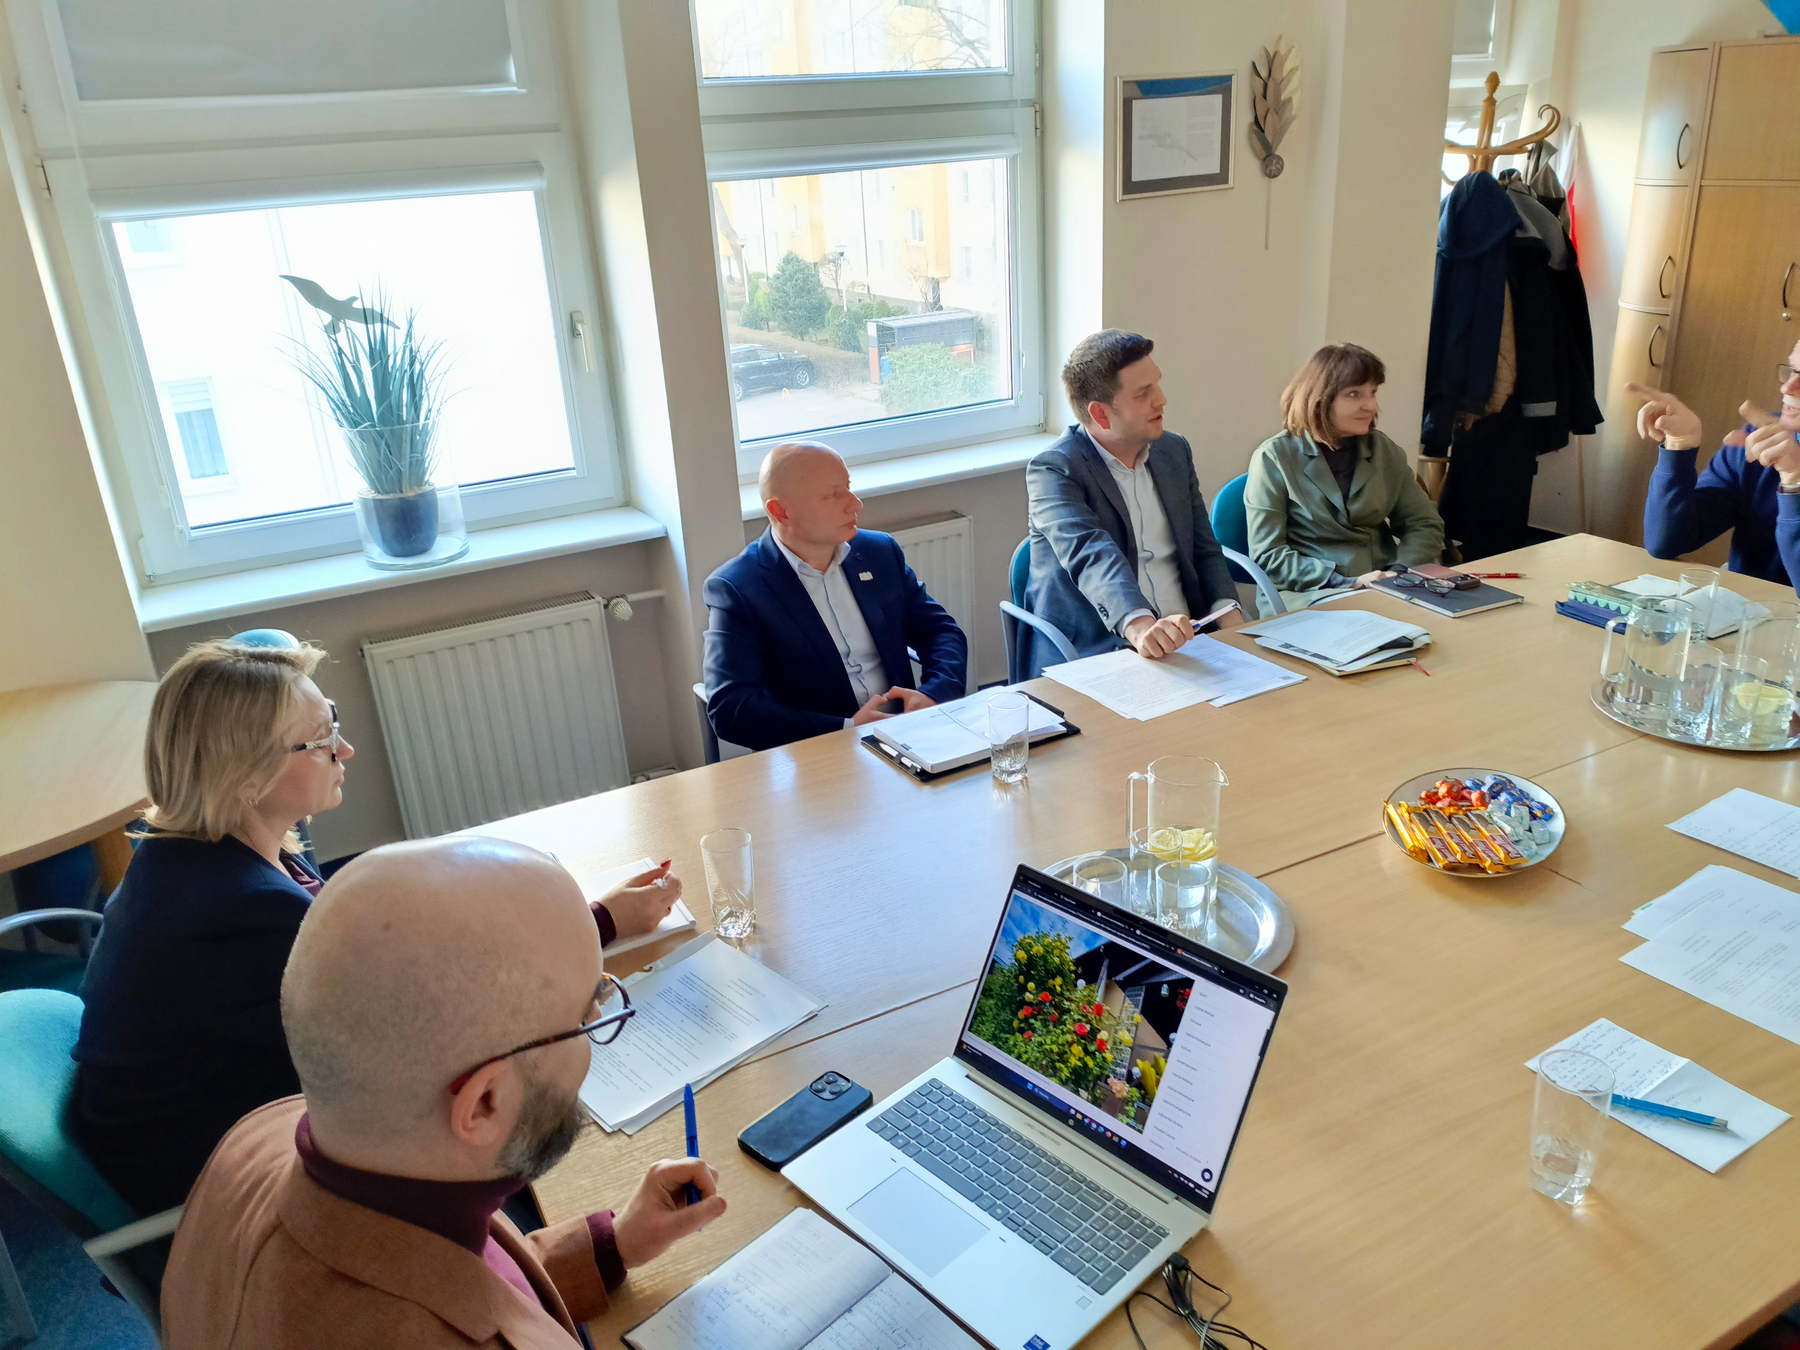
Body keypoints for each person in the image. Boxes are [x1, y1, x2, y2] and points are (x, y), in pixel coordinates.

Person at [72, 640, 677, 1217]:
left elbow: (394, 963)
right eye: (322, 739)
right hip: (226, 1189)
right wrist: (593, 927)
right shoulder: (244, 917)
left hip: (222, 1116)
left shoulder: (201, 852)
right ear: (248, 778)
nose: (346, 749)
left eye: (332, 721)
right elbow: (433, 1023)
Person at [160, 838, 726, 1349]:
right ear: (482, 1104)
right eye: (585, 1016)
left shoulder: (264, 1137)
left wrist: (613, 1245)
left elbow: (446, 1277)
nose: (598, 1025)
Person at [703, 441, 969, 751]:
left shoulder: (879, 553)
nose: (855, 504)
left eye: (848, 488)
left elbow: (941, 632)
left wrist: (933, 694)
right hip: (818, 754)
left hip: (908, 735)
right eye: (831, 495)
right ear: (780, 511)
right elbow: (731, 709)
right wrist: (847, 729)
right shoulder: (738, 588)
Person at [1021, 330, 1242, 679]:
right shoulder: (1054, 470)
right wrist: (1141, 628)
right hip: (1102, 649)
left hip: (1191, 642)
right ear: (1101, 414)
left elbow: (1204, 548)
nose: (1162, 400)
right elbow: (1092, 554)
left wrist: (1231, 620)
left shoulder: (1174, 451)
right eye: (1144, 393)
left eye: (1157, 385)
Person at [1244, 343, 1446, 613]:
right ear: (1320, 399)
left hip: (1384, 585)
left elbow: (1424, 524)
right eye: (1354, 394)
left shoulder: (1384, 450)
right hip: (1307, 592)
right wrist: (1346, 582)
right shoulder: (1274, 457)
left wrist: (1398, 574)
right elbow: (1268, 555)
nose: (1371, 406)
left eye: (1373, 392)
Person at [1630, 340, 1800, 590]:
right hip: (1749, 607)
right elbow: (1666, 541)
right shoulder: (1762, 439)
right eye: (1793, 370)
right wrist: (1680, 444)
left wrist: (1794, 482)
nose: (1787, 387)